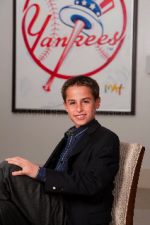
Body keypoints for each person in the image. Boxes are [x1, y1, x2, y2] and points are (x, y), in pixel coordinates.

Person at [0, 76, 119, 225]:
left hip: (71, 213)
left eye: (85, 101)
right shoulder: (71, 136)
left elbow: (91, 183)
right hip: (53, 201)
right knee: (2, 208)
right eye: (72, 103)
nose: (79, 108)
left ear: (97, 102)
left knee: (7, 168)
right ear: (66, 106)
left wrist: (38, 172)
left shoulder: (106, 138)